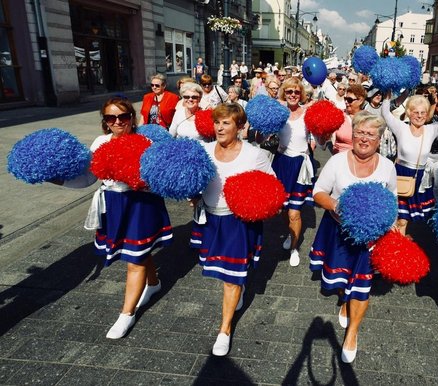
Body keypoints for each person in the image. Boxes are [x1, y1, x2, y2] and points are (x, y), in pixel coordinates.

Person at [59, 97, 173, 339]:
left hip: (141, 204)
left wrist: (142, 183)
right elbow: (89, 178)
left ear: (132, 117)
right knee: (138, 252)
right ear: (105, 122)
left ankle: (126, 314)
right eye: (111, 118)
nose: (118, 122)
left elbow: (161, 178)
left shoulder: (147, 142)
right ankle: (153, 284)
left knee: (135, 258)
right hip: (113, 203)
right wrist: (55, 178)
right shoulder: (100, 142)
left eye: (123, 116)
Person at [309, 111, 397, 363]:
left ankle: (352, 334)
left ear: (380, 139)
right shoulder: (337, 161)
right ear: (352, 135)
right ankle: (344, 300)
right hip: (338, 233)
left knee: (362, 287)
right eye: (359, 132)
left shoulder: (387, 166)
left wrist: (392, 228)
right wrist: (337, 206)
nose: (364, 138)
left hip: (371, 239)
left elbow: (392, 200)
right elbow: (318, 191)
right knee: (342, 281)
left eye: (371, 134)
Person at [190, 104, 274, 356]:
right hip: (210, 220)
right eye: (217, 122)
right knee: (222, 272)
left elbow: (272, 187)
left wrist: (252, 202)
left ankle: (224, 330)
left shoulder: (254, 154)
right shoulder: (204, 150)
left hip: (238, 223)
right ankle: (239, 283)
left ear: (239, 127)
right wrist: (191, 193)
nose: (219, 127)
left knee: (230, 277)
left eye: (226, 123)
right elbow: (195, 182)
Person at [381, 93, 438, 235]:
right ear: (409, 113)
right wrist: (387, 96)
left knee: (406, 219)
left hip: (418, 178)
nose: (419, 116)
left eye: (423, 112)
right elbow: (386, 114)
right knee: (399, 219)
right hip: (400, 175)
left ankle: (398, 243)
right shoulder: (401, 128)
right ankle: (394, 246)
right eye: (416, 112)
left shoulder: (431, 129)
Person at [271, 78, 314, 266]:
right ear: (284, 93)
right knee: (283, 209)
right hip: (281, 162)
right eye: (289, 92)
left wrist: (319, 137)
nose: (293, 95)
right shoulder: (278, 113)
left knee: (294, 212)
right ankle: (290, 232)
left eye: (296, 92)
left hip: (300, 165)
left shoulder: (308, 113)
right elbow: (261, 135)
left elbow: (318, 142)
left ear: (301, 94)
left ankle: (295, 248)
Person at [332, 84, 366, 154]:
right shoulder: (338, 115)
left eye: (349, 100)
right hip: (340, 158)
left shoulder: (367, 118)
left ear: (360, 101)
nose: (346, 102)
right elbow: (323, 142)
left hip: (360, 159)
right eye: (345, 99)